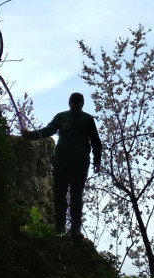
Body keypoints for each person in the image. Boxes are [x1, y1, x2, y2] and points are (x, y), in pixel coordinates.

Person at [24, 92, 102, 239]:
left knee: (76, 196)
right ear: (69, 104)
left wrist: (97, 161)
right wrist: (30, 135)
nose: (75, 109)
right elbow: (48, 130)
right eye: (73, 106)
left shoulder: (87, 120)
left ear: (82, 105)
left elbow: (96, 142)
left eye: (78, 107)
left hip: (80, 165)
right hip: (61, 163)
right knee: (59, 195)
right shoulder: (61, 117)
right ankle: (59, 227)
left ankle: (75, 230)